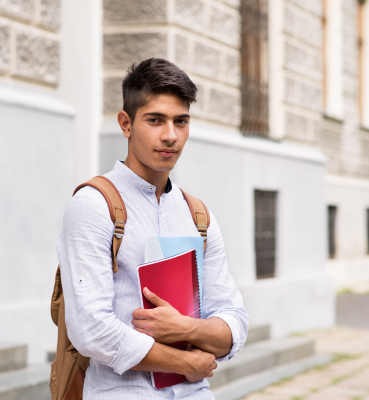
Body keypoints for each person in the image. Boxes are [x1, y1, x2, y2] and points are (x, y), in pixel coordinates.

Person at [56, 57, 249, 399]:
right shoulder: (93, 205)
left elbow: (235, 321)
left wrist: (187, 327)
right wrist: (185, 363)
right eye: (155, 120)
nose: (170, 136)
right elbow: (90, 330)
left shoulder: (198, 215)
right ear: (126, 124)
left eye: (181, 121)